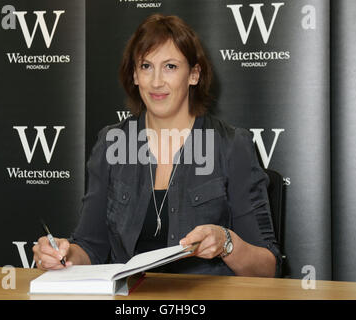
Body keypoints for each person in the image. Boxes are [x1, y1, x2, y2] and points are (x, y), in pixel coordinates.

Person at [33, 14, 282, 277]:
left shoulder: (231, 146)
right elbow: (89, 247)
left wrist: (226, 242)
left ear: (194, 74)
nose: (156, 82)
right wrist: (62, 254)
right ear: (135, 75)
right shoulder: (111, 144)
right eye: (146, 66)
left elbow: (268, 268)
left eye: (171, 67)